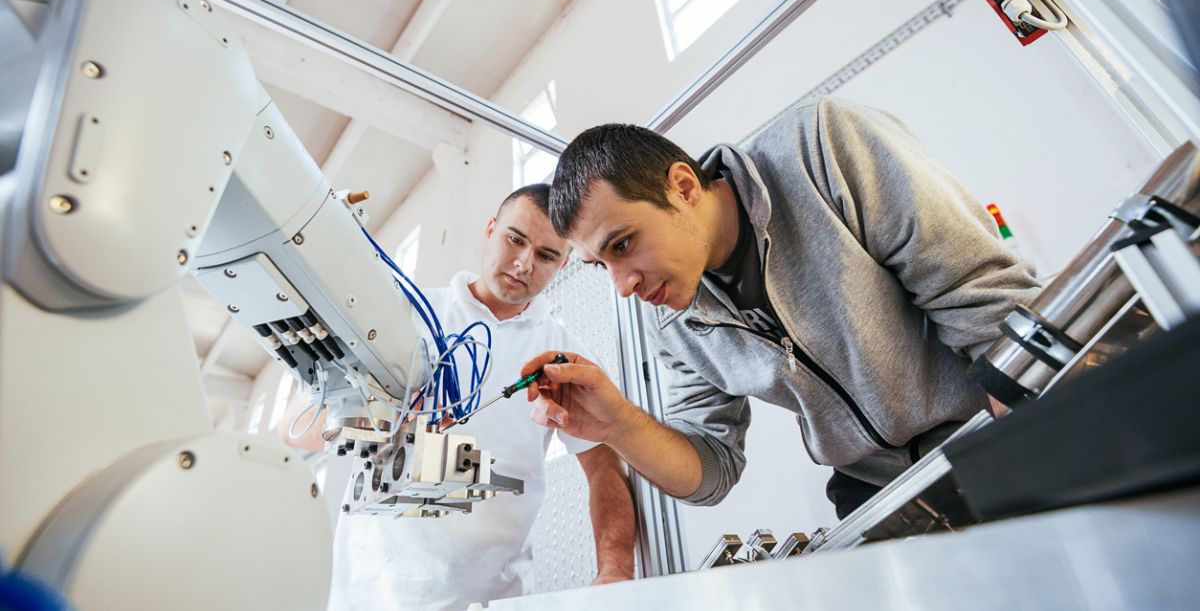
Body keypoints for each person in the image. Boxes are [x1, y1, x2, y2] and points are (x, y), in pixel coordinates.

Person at [520, 97, 1041, 519]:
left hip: (992, 429)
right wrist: (617, 426)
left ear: (682, 187)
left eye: (622, 244)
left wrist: (1028, 458)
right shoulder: (671, 320)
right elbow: (712, 466)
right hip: (876, 490)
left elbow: (983, 299)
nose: (622, 286)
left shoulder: (821, 147)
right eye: (600, 265)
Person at [282, 184, 635, 610]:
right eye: (515, 239)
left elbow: (604, 468)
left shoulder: (563, 356)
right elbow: (295, 428)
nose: (524, 263)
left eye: (545, 255)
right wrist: (379, 417)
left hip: (488, 598)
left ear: (563, 264)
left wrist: (616, 569)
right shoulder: (404, 315)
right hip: (370, 593)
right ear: (490, 229)